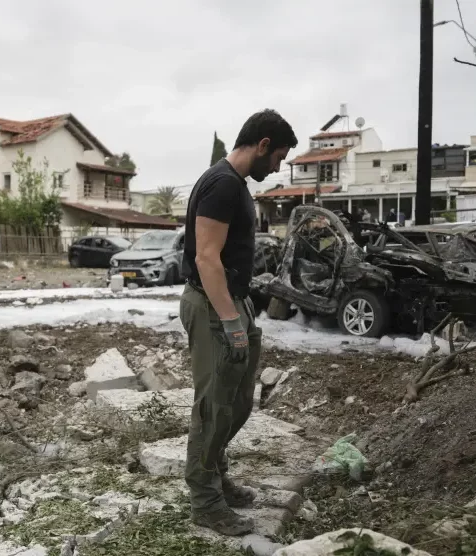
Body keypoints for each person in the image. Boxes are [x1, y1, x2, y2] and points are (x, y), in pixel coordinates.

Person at [180, 109, 297, 536]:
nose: (278, 166)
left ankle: (216, 476)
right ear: (263, 145)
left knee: (237, 402)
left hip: (232, 303)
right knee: (213, 408)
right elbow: (206, 257)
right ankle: (205, 500)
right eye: (279, 156)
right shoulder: (222, 185)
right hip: (215, 308)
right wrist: (230, 321)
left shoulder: (235, 185)